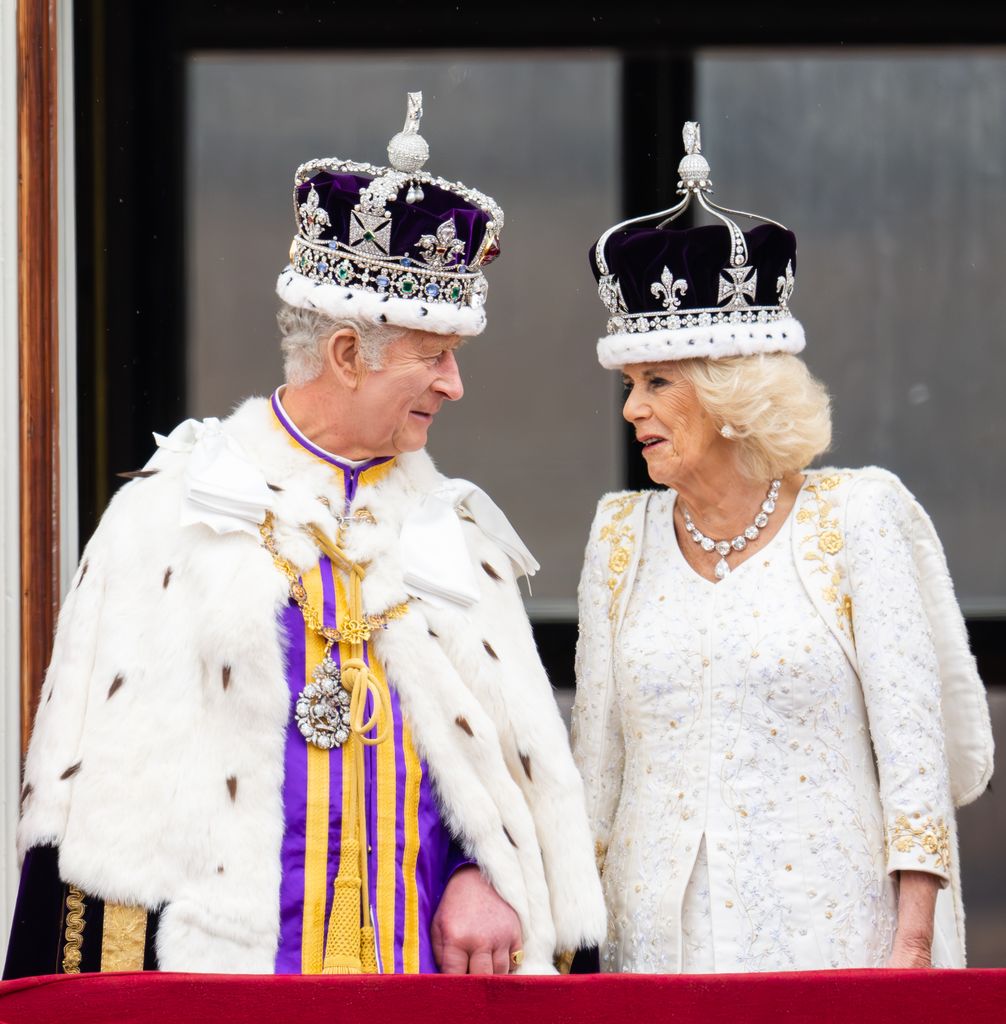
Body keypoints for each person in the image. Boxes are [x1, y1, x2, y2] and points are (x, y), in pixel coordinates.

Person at [6, 93, 605, 978]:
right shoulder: (175, 506)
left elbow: (492, 769)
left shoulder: (456, 534)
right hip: (225, 975)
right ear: (347, 354)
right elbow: (94, 790)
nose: (453, 384)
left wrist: (486, 872)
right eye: (433, 354)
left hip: (416, 975)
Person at [571, 122, 993, 974]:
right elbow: (597, 772)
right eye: (629, 386)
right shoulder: (619, 536)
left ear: (731, 394)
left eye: (658, 384)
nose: (633, 411)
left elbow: (917, 762)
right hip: (657, 950)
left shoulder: (856, 517)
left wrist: (910, 952)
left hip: (834, 938)